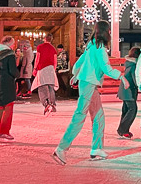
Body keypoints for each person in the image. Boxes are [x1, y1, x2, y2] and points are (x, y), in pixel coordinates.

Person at [53, 21, 127, 165]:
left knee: (98, 116)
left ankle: (97, 148)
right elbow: (105, 68)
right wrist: (121, 76)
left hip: (88, 83)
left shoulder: (91, 45)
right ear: (106, 32)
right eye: (110, 30)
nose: (111, 33)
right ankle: (61, 148)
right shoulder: (99, 48)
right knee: (80, 115)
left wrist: (76, 74)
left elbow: (79, 63)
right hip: (88, 83)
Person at [0, 36, 18, 142]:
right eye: (12, 44)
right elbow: (13, 70)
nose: (13, 46)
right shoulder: (10, 55)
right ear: (8, 44)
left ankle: (0, 131)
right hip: (8, 82)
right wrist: (17, 73)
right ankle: (4, 132)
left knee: (1, 107)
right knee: (8, 107)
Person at [31, 34, 59, 115]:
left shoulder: (40, 47)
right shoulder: (53, 49)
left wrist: (35, 68)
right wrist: (53, 69)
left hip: (42, 68)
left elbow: (37, 58)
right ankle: (52, 103)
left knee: (42, 86)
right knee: (51, 87)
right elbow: (55, 60)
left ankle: (46, 103)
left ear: (44, 39)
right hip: (50, 68)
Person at [117, 47, 140, 138]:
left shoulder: (129, 64)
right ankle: (122, 129)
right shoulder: (134, 65)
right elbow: (135, 79)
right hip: (129, 91)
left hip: (124, 90)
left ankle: (123, 130)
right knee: (132, 109)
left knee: (126, 110)